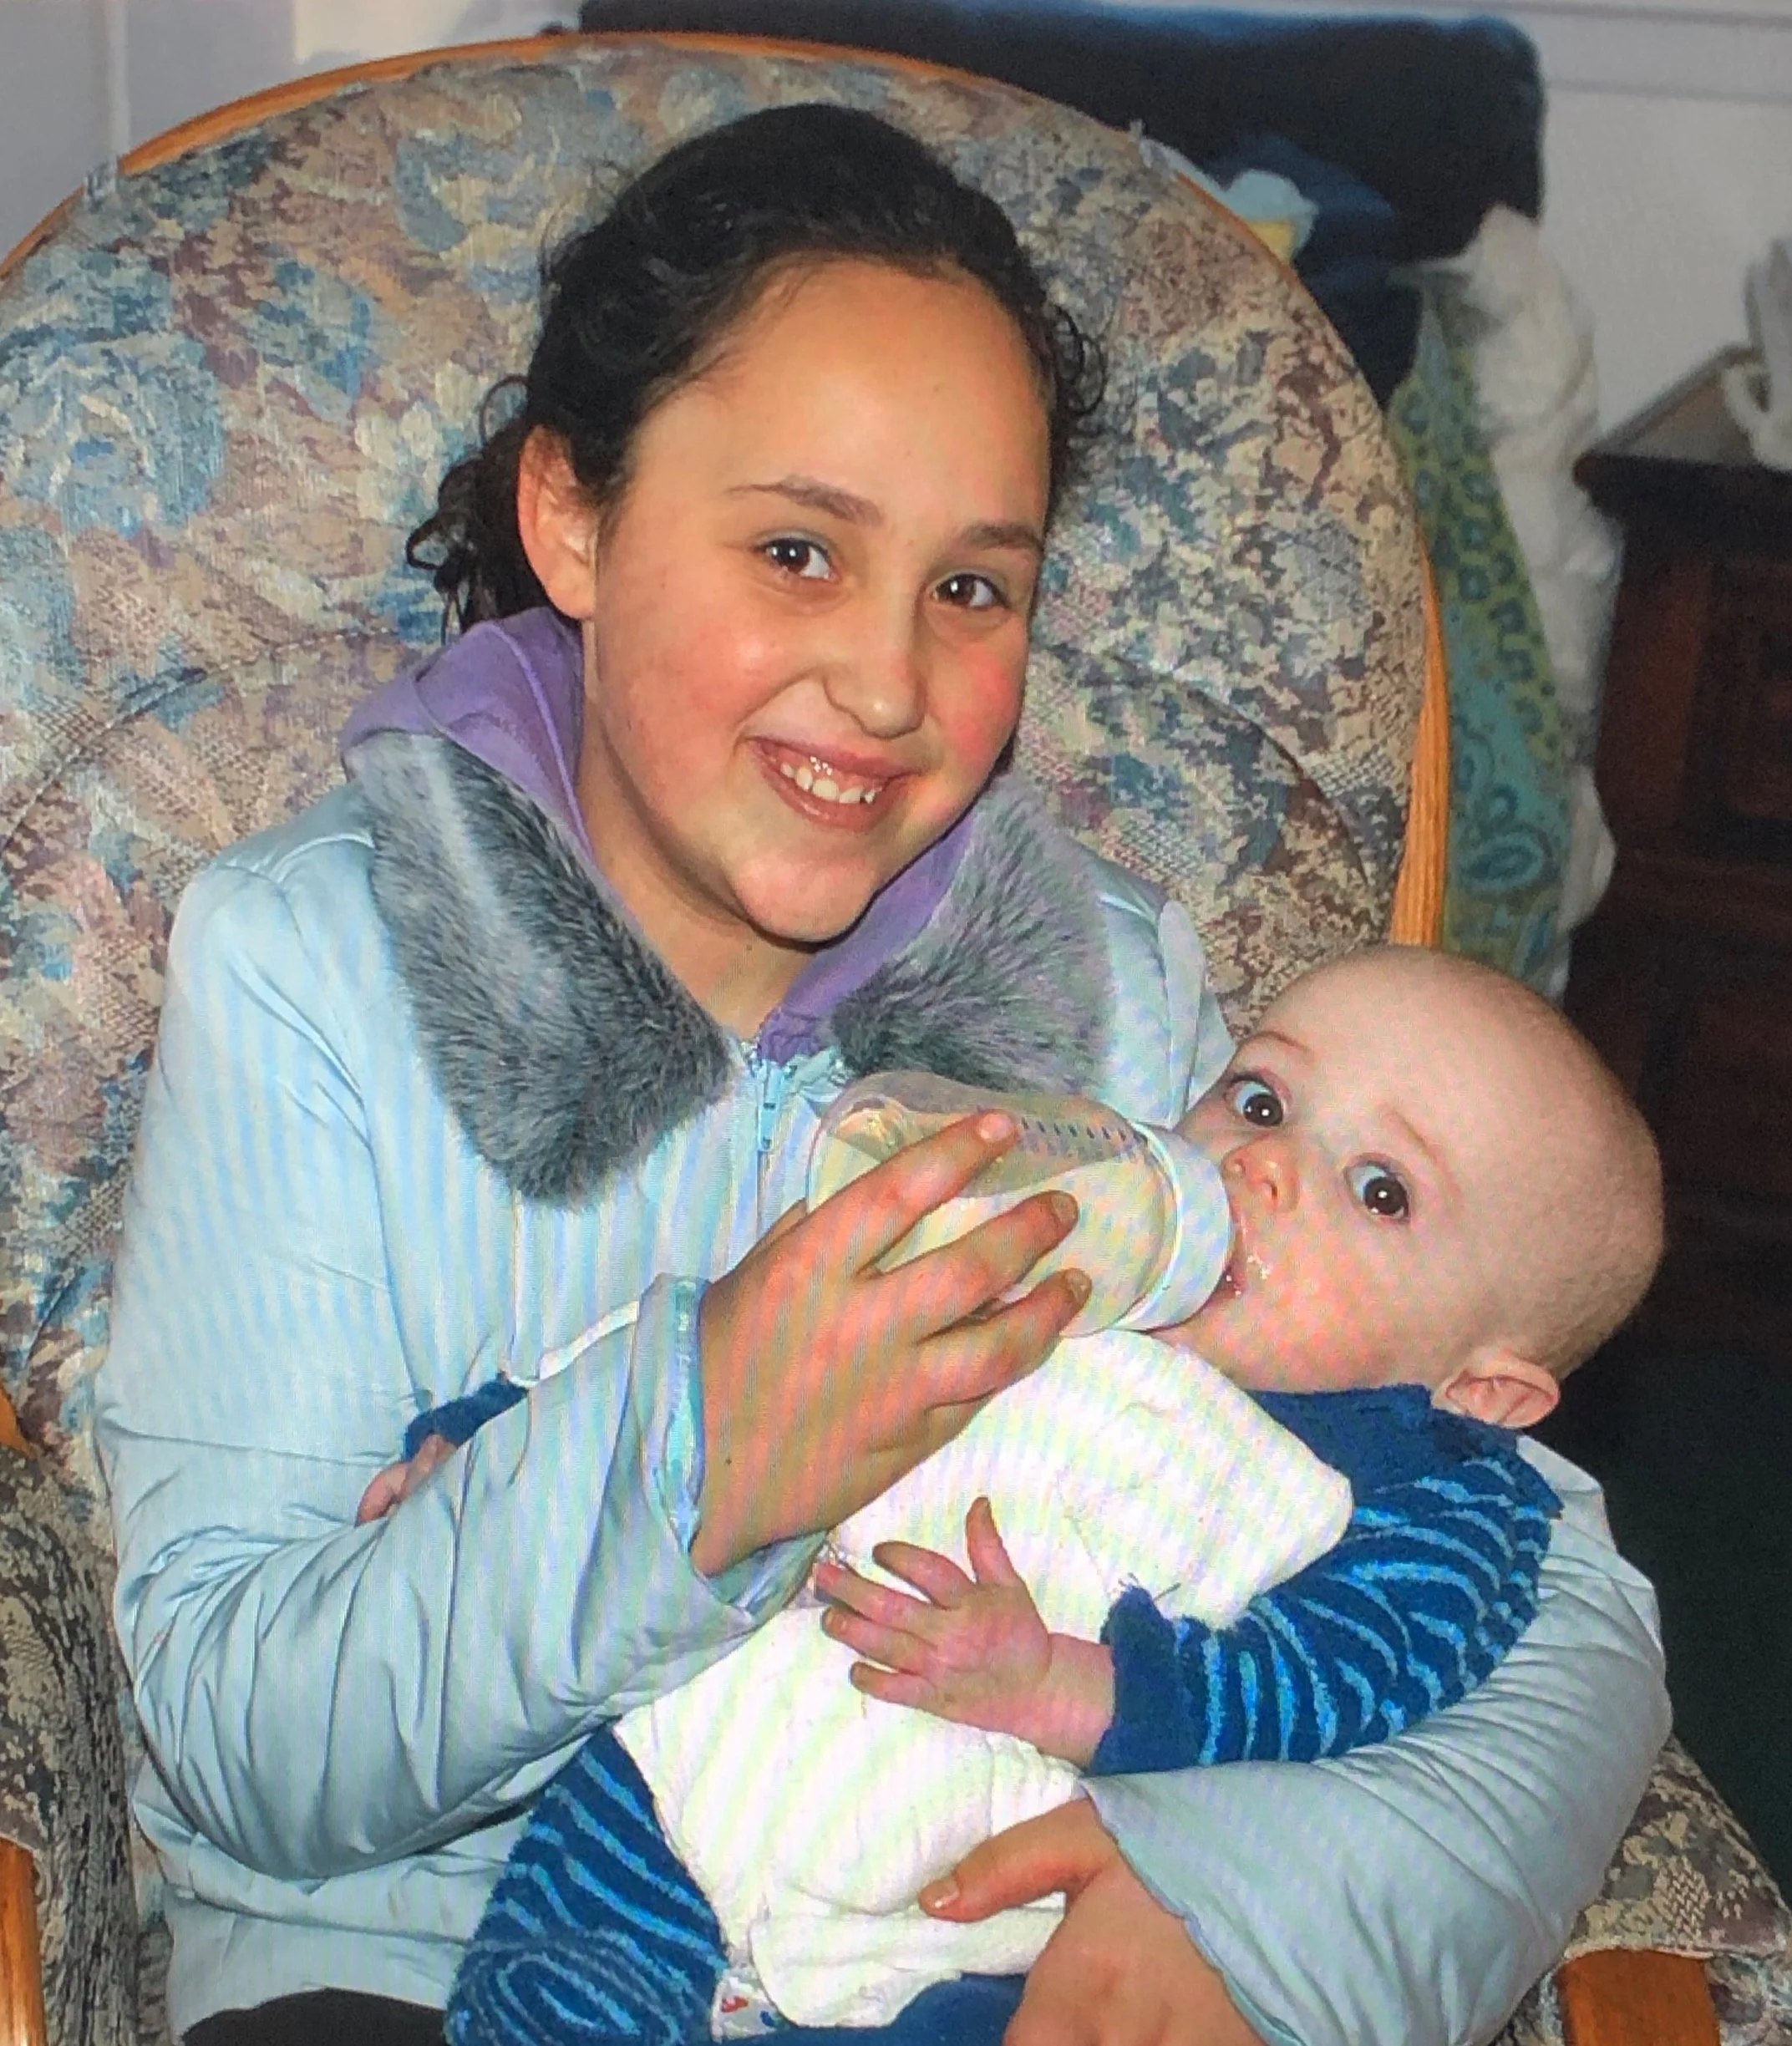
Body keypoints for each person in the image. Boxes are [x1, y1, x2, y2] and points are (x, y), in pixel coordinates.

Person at [92, 101, 1668, 2046]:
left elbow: (1549, 1597)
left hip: (926, 1941)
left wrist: (1249, 1901)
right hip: (406, 1956)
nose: (888, 685)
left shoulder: (1106, 987)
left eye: (971, 587)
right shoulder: (313, 968)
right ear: (572, 515)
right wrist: (695, 1463)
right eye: (794, 549)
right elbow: (240, 1738)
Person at [365, 943, 1661, 2042]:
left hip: (982, 1892)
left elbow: (1344, 1678)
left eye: (1380, 1192)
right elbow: (710, 1363)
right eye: (1261, 1103)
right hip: (705, 1749)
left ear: (1486, 1395)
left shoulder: (1425, 1494)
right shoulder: (1062, 1245)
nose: (1264, 1171)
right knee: (551, 1987)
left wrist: (1075, 1688)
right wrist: (495, 1448)